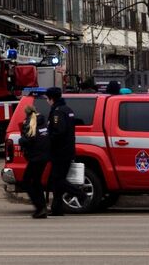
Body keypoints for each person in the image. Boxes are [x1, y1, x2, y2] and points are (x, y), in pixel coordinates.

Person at [45, 87, 83, 216]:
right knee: (57, 181)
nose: (46, 101)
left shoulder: (58, 112)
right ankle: (57, 209)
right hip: (67, 150)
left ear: (51, 98)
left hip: (60, 152)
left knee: (57, 180)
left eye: (47, 99)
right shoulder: (68, 110)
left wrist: (48, 140)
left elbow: (58, 131)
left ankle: (79, 193)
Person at [19, 104, 51, 218]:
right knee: (37, 182)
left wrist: (20, 140)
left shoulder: (29, 123)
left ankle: (39, 207)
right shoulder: (42, 121)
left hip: (35, 157)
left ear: (26, 113)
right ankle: (42, 208)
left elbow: (28, 139)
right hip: (44, 156)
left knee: (26, 182)